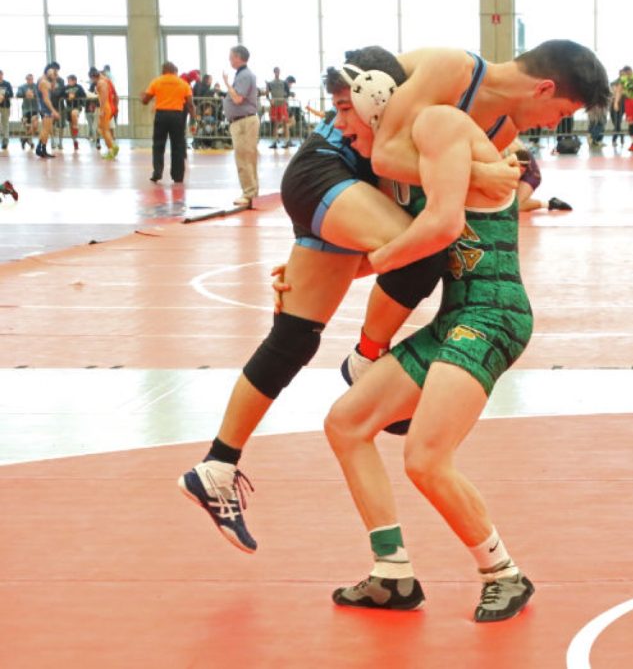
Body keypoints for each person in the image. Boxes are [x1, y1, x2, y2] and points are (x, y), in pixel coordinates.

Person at [177, 40, 609, 559]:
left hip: (366, 191)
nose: (550, 125)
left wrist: (501, 179)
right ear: (543, 88)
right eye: (559, 113)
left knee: (294, 336)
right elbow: (385, 152)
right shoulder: (455, 71)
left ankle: (217, 466)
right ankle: (366, 359)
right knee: (424, 249)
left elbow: (433, 181)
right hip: (332, 167)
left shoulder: (506, 127)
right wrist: (476, 171)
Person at [321, 47, 538, 623]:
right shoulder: (400, 158)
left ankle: (504, 574)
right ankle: (392, 574)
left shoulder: (438, 124)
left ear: (375, 99)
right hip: (455, 318)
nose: (338, 125)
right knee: (345, 424)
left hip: (494, 313)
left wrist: (369, 264)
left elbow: (440, 226)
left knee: (425, 458)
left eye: (345, 110)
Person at [141, 61, 196, 184]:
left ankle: (157, 173)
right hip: (177, 116)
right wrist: (194, 117)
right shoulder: (183, 83)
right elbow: (190, 104)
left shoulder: (157, 81)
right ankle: (178, 176)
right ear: (175, 71)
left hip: (161, 115)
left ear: (163, 70)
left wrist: (142, 97)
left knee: (158, 145)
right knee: (178, 145)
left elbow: (145, 100)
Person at [223, 45, 260, 208]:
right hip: (243, 121)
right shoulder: (243, 75)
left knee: (244, 157)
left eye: (231, 57)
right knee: (248, 157)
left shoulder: (244, 75)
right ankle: (252, 191)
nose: (230, 60)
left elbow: (238, 99)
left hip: (243, 122)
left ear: (238, 57)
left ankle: (249, 193)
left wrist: (226, 84)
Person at [89, 66, 119, 159]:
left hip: (106, 107)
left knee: (104, 129)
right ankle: (112, 147)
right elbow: (114, 95)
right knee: (101, 128)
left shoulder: (101, 83)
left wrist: (101, 110)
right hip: (108, 107)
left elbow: (103, 97)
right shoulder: (106, 81)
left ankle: (112, 149)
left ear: (93, 77)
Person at [266, 67, 294, 149]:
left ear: (280, 72)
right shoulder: (270, 83)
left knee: (285, 123)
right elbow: (267, 94)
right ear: (274, 72)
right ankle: (274, 142)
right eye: (276, 71)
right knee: (275, 124)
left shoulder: (284, 82)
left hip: (282, 105)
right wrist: (270, 100)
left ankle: (286, 142)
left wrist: (284, 99)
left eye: (278, 71)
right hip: (274, 106)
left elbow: (288, 93)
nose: (277, 73)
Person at [60, 74, 88, 151]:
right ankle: (75, 141)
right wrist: (67, 97)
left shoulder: (79, 87)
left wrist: (75, 96)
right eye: (68, 80)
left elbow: (84, 96)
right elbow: (61, 95)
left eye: (70, 80)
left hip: (77, 106)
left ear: (74, 81)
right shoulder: (65, 88)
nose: (69, 82)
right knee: (71, 125)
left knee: (74, 113)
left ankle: (76, 128)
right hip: (68, 107)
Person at [35, 66, 58, 158]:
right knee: (45, 129)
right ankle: (39, 148)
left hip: (45, 107)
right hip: (45, 107)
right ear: (47, 73)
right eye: (51, 74)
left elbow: (52, 89)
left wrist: (54, 79)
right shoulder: (43, 82)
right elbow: (46, 99)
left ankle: (43, 149)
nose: (53, 75)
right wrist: (53, 111)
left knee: (47, 129)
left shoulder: (46, 81)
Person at [16, 74, 40, 150]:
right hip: (26, 109)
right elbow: (18, 94)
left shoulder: (37, 86)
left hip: (35, 109)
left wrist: (34, 94)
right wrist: (25, 94)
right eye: (28, 79)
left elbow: (41, 94)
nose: (30, 80)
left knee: (35, 125)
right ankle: (29, 141)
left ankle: (24, 139)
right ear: (26, 79)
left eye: (31, 79)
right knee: (27, 126)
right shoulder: (22, 87)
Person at [0, 70, 12, 150]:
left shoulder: (7, 84)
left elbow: (11, 93)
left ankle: (5, 141)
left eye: (0, 74)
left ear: (2, 75)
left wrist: (4, 95)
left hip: (5, 105)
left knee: (5, 123)